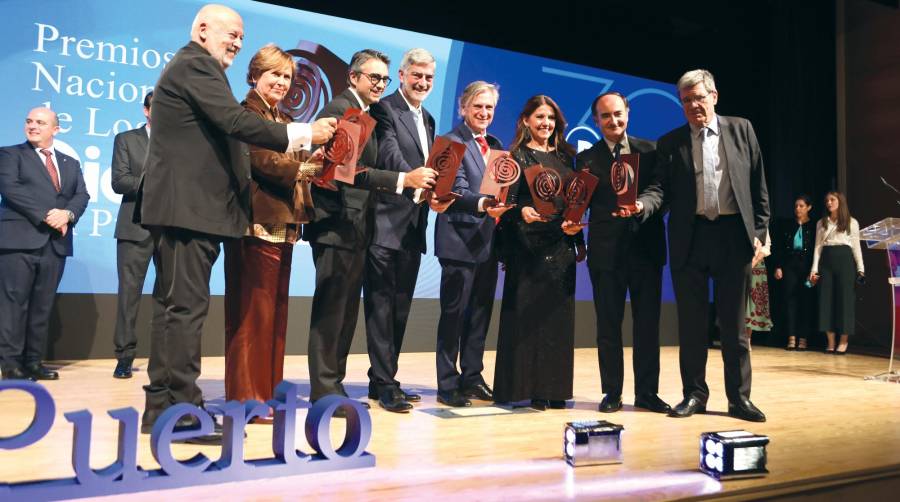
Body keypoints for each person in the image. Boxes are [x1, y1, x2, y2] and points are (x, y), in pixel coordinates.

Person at [137, 4, 336, 442]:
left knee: (177, 312)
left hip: (187, 211)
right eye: (233, 33)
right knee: (183, 312)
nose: (238, 42)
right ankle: (178, 413)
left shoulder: (194, 67)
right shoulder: (195, 64)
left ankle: (168, 408)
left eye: (242, 37)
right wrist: (304, 134)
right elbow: (233, 121)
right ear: (203, 29)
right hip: (186, 211)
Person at [629, 69, 770, 422]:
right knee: (691, 326)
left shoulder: (742, 129)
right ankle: (695, 394)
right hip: (689, 239)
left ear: (714, 96)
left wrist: (761, 233)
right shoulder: (671, 142)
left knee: (735, 328)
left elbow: (759, 187)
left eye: (699, 98)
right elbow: (660, 189)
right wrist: (643, 205)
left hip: (733, 237)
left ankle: (739, 399)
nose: (694, 105)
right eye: (687, 100)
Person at [303, 49, 437, 408]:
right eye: (373, 77)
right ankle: (324, 391)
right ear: (353, 77)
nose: (379, 84)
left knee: (345, 314)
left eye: (383, 79)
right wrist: (402, 179)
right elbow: (349, 173)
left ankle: (333, 388)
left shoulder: (364, 113)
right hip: (335, 226)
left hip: (354, 228)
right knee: (332, 312)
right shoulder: (339, 111)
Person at [222, 45, 323, 420]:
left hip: (284, 224)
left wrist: (314, 164)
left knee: (276, 314)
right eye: (274, 74)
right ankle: (247, 399)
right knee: (252, 315)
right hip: (253, 224)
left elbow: (293, 163)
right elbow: (261, 160)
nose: (281, 82)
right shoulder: (245, 113)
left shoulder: (283, 116)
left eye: (286, 76)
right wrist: (302, 169)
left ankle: (268, 394)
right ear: (255, 76)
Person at [576, 92, 670, 414]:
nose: (613, 121)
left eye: (618, 114)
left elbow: (660, 192)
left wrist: (642, 205)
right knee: (608, 327)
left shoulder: (652, 151)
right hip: (606, 254)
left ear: (627, 112)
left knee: (647, 327)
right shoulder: (586, 159)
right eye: (605, 116)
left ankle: (647, 393)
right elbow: (579, 204)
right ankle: (611, 392)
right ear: (596, 120)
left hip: (646, 250)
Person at [364, 48, 446, 413]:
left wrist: (437, 193)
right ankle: (384, 384)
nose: (423, 83)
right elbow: (390, 156)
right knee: (381, 307)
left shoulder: (428, 119)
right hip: (384, 222)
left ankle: (383, 377)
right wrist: (414, 182)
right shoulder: (384, 108)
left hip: (414, 225)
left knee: (399, 309)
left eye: (429, 78)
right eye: (417, 76)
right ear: (401, 75)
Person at [492, 95, 585, 410]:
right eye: (540, 117)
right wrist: (522, 212)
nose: (546, 123)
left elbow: (574, 202)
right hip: (527, 247)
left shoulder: (567, 157)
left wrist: (577, 230)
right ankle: (526, 389)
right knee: (526, 319)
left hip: (560, 248)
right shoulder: (515, 157)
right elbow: (504, 204)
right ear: (526, 121)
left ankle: (554, 388)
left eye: (551, 118)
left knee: (556, 320)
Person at [434, 81, 513, 407]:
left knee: (480, 314)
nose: (483, 113)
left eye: (489, 108)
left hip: (487, 242)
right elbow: (455, 187)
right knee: (453, 315)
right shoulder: (448, 143)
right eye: (477, 106)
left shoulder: (494, 146)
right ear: (462, 107)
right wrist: (484, 205)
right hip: (458, 241)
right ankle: (447, 383)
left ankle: (472, 377)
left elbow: (499, 190)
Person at [0, 107, 89, 381]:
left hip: (55, 245)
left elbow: (81, 195)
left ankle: (34, 361)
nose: (32, 126)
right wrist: (48, 215)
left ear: (56, 129)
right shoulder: (10, 154)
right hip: (18, 242)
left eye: (40, 122)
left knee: (42, 305)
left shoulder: (69, 162)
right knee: (14, 304)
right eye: (29, 121)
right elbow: (10, 189)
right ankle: (10, 363)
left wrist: (68, 214)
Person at [110, 92, 155, 379]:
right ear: (146, 110)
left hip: (169, 229)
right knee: (129, 296)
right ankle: (124, 356)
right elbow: (119, 181)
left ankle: (163, 357)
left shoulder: (179, 143)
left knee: (170, 297)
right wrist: (156, 182)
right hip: (134, 227)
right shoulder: (126, 139)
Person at [810, 191, 864, 355]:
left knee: (845, 301)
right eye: (827, 200)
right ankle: (831, 341)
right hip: (826, 261)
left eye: (832, 200)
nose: (829, 203)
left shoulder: (851, 222)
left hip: (845, 261)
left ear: (840, 202)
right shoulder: (821, 222)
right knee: (826, 300)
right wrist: (814, 269)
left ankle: (843, 341)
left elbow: (856, 247)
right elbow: (817, 248)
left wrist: (861, 268)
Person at [772, 195, 816, 351]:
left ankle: (803, 337)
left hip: (807, 266)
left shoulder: (814, 226)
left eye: (801, 206)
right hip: (790, 265)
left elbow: (817, 250)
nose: (798, 209)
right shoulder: (787, 225)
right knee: (789, 299)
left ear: (809, 207)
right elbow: (779, 247)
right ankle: (791, 337)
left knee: (805, 300)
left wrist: (815, 270)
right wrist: (778, 266)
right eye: (796, 206)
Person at [745, 230, 772, 350]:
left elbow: (766, 246)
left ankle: (747, 339)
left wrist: (754, 261)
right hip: (739, 261)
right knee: (740, 301)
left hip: (757, 265)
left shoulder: (761, 223)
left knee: (753, 302)